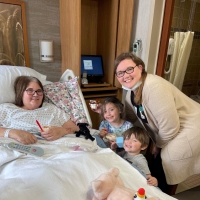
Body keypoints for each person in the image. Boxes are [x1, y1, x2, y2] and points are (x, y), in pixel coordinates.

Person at [113, 52, 200, 191]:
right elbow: (128, 118)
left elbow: (170, 127)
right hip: (174, 128)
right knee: (155, 166)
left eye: (129, 69)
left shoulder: (154, 87)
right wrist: (108, 112)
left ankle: (163, 194)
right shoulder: (131, 94)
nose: (125, 75)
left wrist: (157, 146)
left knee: (165, 164)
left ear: (140, 68)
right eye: (120, 73)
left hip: (191, 126)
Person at [0, 76, 80, 144]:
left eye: (39, 91)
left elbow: (76, 129)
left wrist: (62, 131)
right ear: (21, 93)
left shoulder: (51, 109)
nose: (36, 94)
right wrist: (11, 132)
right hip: (23, 151)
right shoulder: (6, 109)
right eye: (30, 91)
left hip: (58, 148)